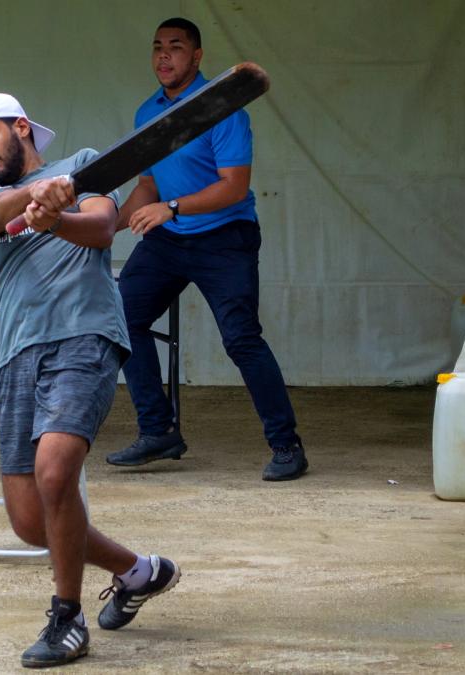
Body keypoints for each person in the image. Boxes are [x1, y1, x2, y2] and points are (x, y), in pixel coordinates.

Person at [0, 93, 180, 668]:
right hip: (17, 356)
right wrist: (35, 196)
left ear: (20, 127)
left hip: (85, 336)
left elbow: (104, 228)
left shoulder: (82, 166)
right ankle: (137, 571)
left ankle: (67, 619)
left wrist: (57, 215)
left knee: (56, 473)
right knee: (32, 524)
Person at [110, 17, 308, 482]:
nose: (164, 55)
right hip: (169, 239)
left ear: (197, 56)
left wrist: (171, 208)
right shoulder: (148, 113)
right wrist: (103, 227)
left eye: (176, 47)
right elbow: (147, 185)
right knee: (121, 320)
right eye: (157, 46)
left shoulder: (225, 109)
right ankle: (158, 431)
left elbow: (233, 187)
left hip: (224, 238)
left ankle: (287, 446)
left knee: (241, 339)